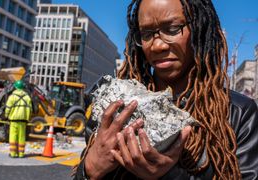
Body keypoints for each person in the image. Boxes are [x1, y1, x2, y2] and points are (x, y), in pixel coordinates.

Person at [73, 0, 258, 179]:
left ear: (199, 29)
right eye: (146, 34)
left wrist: (170, 175)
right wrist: (89, 170)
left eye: (172, 29)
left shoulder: (237, 113)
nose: (157, 45)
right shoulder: (112, 105)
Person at [5, 80, 32, 158]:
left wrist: (6, 116)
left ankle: (13, 154)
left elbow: (8, 108)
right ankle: (21, 154)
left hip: (13, 119)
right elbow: (30, 109)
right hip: (23, 120)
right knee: (21, 137)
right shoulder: (27, 97)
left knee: (13, 136)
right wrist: (28, 118)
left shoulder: (12, 96)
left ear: (15, 87)